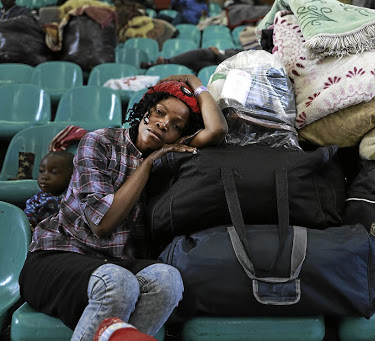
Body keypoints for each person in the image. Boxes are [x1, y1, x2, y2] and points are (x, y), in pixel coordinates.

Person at [19, 74, 228, 341]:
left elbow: (217, 130)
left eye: (175, 125)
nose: (163, 124)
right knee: (117, 282)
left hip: (112, 265)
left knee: (167, 280)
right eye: (159, 113)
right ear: (144, 110)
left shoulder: (170, 154)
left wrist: (194, 81)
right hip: (56, 257)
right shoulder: (99, 142)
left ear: (180, 135)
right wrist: (149, 163)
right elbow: (103, 223)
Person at [24, 151, 74, 232]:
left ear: (71, 175)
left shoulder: (72, 197)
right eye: (41, 171)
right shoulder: (37, 199)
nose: (44, 176)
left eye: (54, 172)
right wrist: (29, 226)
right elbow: (29, 215)